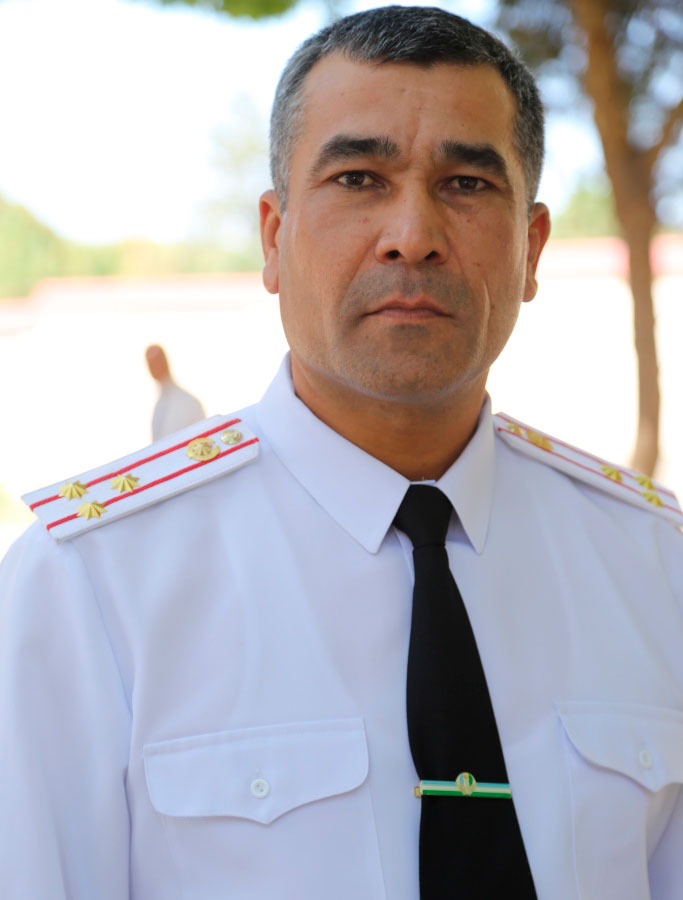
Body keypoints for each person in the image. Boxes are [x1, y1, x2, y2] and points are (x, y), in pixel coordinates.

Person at [1, 6, 682, 899]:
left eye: (466, 184)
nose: (412, 233)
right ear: (273, 236)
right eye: (358, 178)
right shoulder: (89, 587)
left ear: (531, 248)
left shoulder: (653, 566)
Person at [145, 343, 205, 440]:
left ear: (164, 361)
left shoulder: (189, 402)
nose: (154, 367)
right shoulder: (158, 408)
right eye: (151, 363)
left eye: (157, 361)